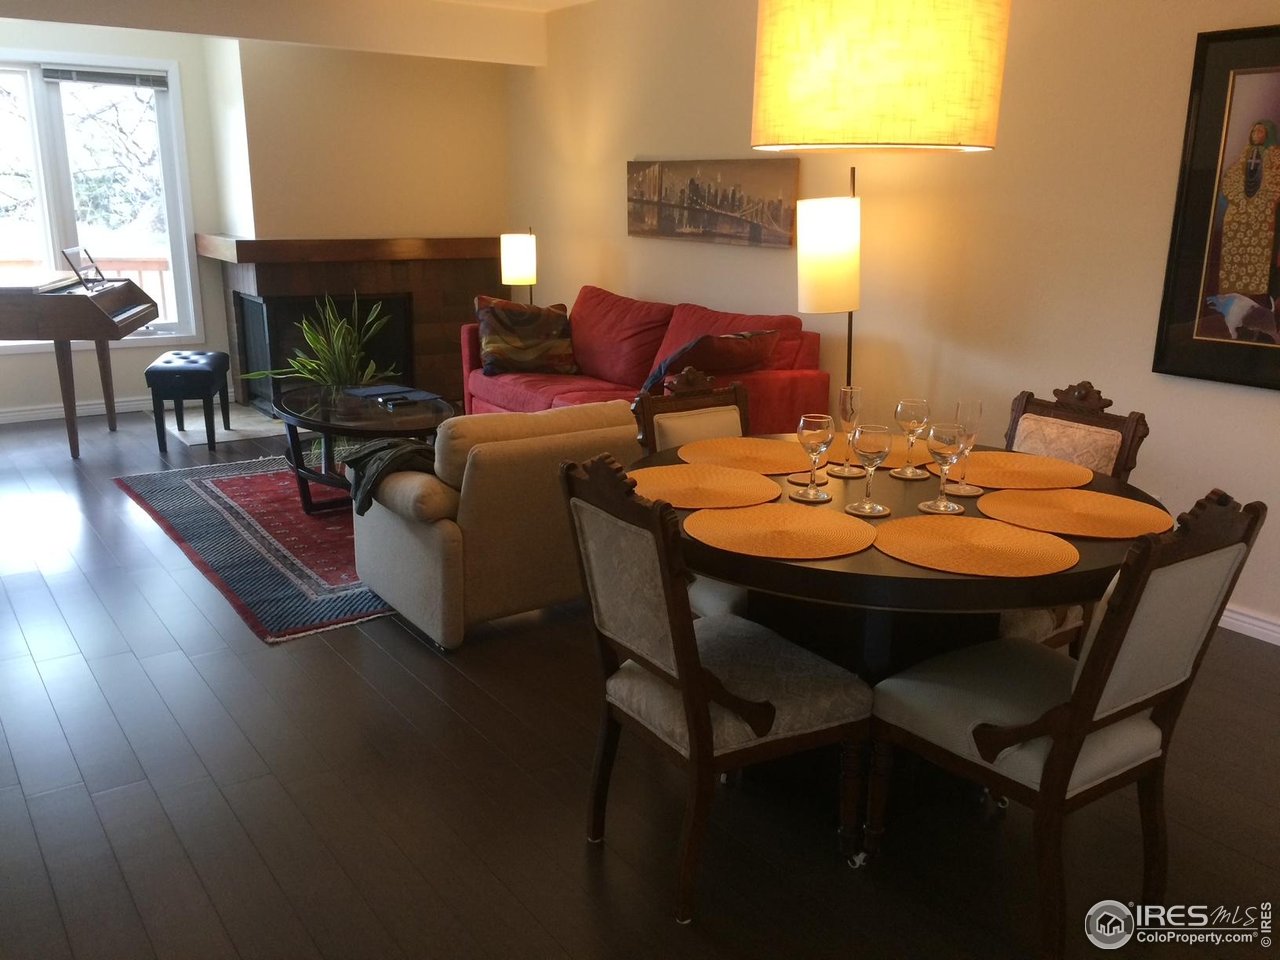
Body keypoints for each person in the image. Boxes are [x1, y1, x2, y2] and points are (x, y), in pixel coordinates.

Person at [1217, 118, 1280, 298]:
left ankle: (1256, 291)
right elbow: (1230, 179)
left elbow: (1276, 182)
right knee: (1232, 227)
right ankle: (1234, 287)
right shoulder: (1245, 154)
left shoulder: (1276, 156)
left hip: (1263, 211)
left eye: (1260, 132)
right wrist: (1240, 200)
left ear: (1268, 135)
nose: (1256, 135)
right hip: (1240, 208)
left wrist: (1259, 202)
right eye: (1254, 131)